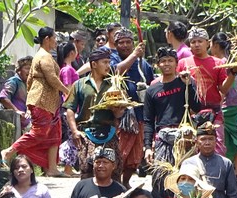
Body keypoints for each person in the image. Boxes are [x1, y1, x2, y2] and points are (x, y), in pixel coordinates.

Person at [1, 27, 69, 177]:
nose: (56, 41)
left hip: (49, 103)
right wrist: (67, 91)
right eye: (54, 38)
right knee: (39, 133)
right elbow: (52, 79)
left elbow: (30, 80)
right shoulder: (43, 57)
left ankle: (51, 168)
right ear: (47, 39)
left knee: (55, 134)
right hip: (42, 102)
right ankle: (8, 151)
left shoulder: (44, 56)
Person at [64, 47, 126, 179]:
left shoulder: (113, 85)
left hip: (109, 132)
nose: (108, 66)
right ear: (94, 64)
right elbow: (70, 109)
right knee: (87, 169)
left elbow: (119, 113)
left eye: (109, 62)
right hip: (86, 133)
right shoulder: (79, 85)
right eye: (105, 62)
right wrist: (75, 131)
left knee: (113, 169)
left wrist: (118, 110)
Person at [178, 27, 237, 156]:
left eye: (200, 41)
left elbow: (223, 88)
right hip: (191, 112)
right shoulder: (183, 63)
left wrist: (233, 73)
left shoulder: (217, 63)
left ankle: (217, 173)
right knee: (191, 147)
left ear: (207, 42)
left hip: (214, 111)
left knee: (217, 144)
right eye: (193, 42)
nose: (197, 44)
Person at [143, 46, 200, 167]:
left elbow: (197, 107)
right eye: (163, 61)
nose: (166, 64)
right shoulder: (152, 90)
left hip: (184, 135)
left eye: (170, 60)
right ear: (158, 65)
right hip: (162, 137)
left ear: (176, 63)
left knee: (186, 176)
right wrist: (147, 147)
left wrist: (189, 85)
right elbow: (148, 121)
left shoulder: (184, 82)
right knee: (161, 175)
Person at [112, 30, 155, 185]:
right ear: (116, 45)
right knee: (119, 151)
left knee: (135, 155)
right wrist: (134, 56)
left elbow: (152, 85)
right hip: (120, 115)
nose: (125, 45)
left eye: (128, 42)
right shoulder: (112, 59)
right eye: (121, 42)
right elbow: (115, 71)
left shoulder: (143, 64)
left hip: (139, 114)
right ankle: (115, 181)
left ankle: (126, 181)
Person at [181, 121, 237, 198]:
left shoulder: (226, 163)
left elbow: (232, 192)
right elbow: (181, 191)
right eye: (203, 139)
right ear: (196, 141)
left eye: (210, 139)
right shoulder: (188, 163)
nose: (207, 142)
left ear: (215, 141)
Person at [211, 33, 237, 178]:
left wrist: (219, 103)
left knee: (227, 136)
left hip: (226, 103)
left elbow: (224, 87)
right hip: (234, 102)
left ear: (216, 46)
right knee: (230, 135)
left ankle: (236, 169)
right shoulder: (229, 60)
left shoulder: (223, 63)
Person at [57, 42, 81, 175]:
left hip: (70, 107)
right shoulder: (67, 70)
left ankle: (69, 167)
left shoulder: (67, 69)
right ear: (72, 53)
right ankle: (67, 167)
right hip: (70, 108)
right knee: (71, 138)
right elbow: (68, 88)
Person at [0, 56, 33, 132]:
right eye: (27, 68)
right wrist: (16, 111)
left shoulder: (27, 84)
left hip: (25, 125)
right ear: (19, 70)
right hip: (14, 122)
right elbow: (3, 97)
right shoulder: (14, 81)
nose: (29, 72)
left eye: (31, 69)